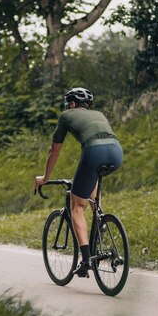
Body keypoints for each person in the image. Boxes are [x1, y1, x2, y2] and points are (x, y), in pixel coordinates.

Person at [34, 87, 123, 278]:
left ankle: (86, 260)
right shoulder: (98, 114)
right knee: (92, 180)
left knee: (76, 206)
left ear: (72, 104)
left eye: (68, 103)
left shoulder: (66, 115)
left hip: (93, 152)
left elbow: (54, 151)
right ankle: (100, 219)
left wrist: (45, 178)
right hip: (116, 152)